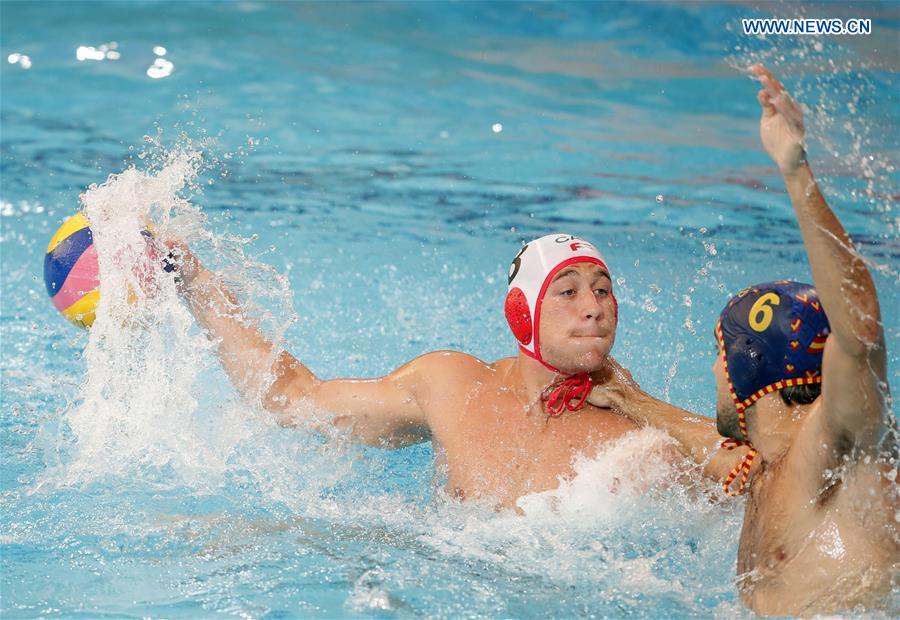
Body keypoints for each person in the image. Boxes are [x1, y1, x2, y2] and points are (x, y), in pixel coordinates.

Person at [589, 64, 898, 615]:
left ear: (750, 371)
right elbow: (709, 443)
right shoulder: (767, 467)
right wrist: (628, 398)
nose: (713, 372)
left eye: (718, 356)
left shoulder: (839, 449)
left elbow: (861, 334)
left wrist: (795, 169)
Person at [163, 230, 749, 510]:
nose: (593, 306)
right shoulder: (450, 386)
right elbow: (291, 398)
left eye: (603, 290)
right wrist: (190, 278)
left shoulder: (638, 439)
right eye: (567, 292)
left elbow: (759, 475)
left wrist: (640, 405)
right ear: (520, 311)